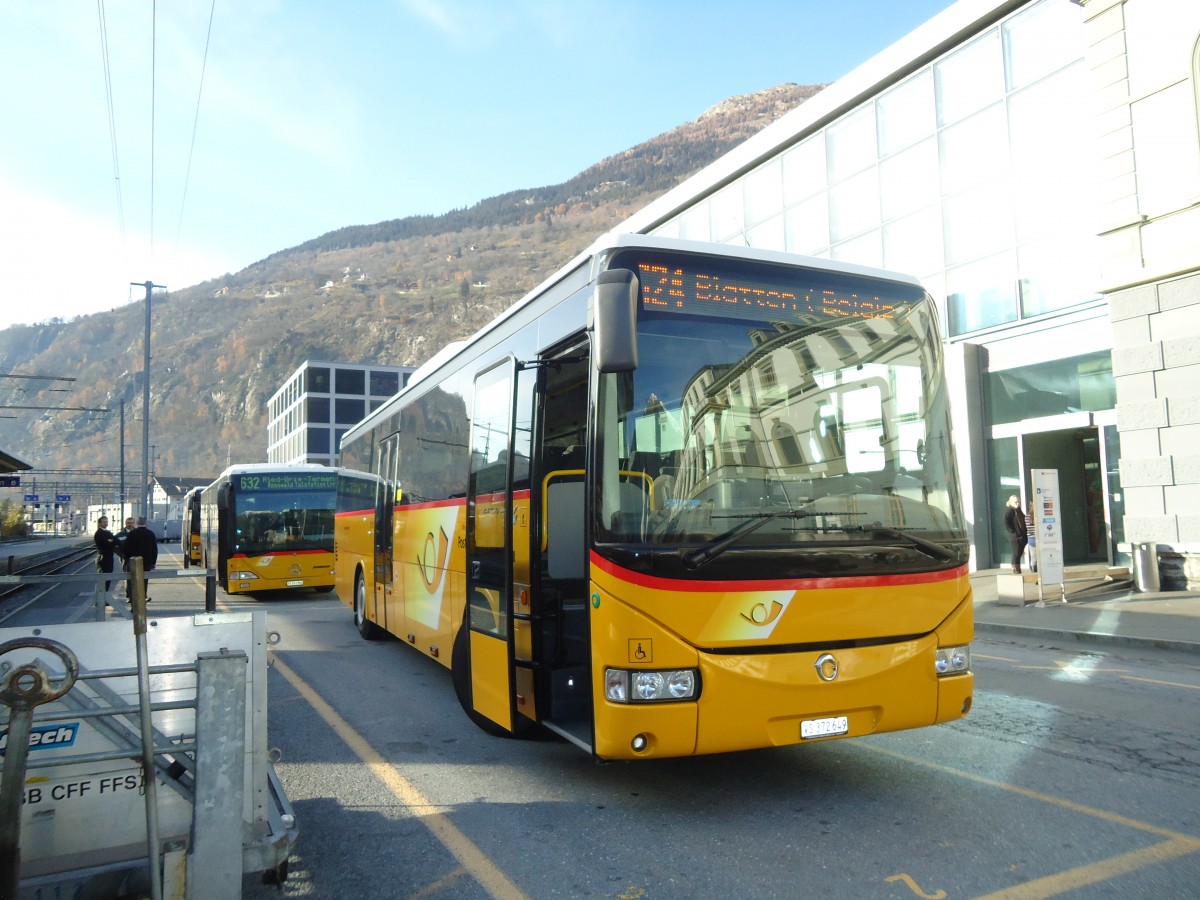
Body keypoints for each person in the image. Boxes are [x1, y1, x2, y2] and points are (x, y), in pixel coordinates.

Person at [122, 516, 159, 602]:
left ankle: (131, 598)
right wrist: (153, 562)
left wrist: (127, 559)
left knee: (132, 581)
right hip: (146, 562)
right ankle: (143, 598)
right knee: (144, 581)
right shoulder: (151, 534)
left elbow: (126, 549)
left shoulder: (131, 534)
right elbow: (154, 550)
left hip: (133, 562)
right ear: (146, 523)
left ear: (137, 523)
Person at [1003, 494, 1028, 575]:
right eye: (1015, 502)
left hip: (1022, 535)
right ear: (1011, 503)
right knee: (1016, 553)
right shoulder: (1010, 511)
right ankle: (1015, 569)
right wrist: (1013, 532)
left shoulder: (1019, 510)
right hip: (1015, 536)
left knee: (1019, 552)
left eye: (1019, 502)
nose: (1018, 503)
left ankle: (1018, 568)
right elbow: (1006, 523)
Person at [93, 515, 116, 591]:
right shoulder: (99, 533)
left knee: (108, 578)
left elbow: (115, 541)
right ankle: (100, 599)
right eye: (104, 522)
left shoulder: (108, 532)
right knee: (102, 579)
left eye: (107, 522)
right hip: (103, 558)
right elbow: (105, 544)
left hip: (109, 557)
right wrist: (110, 541)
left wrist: (111, 541)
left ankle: (104, 598)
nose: (106, 523)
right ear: (99, 523)